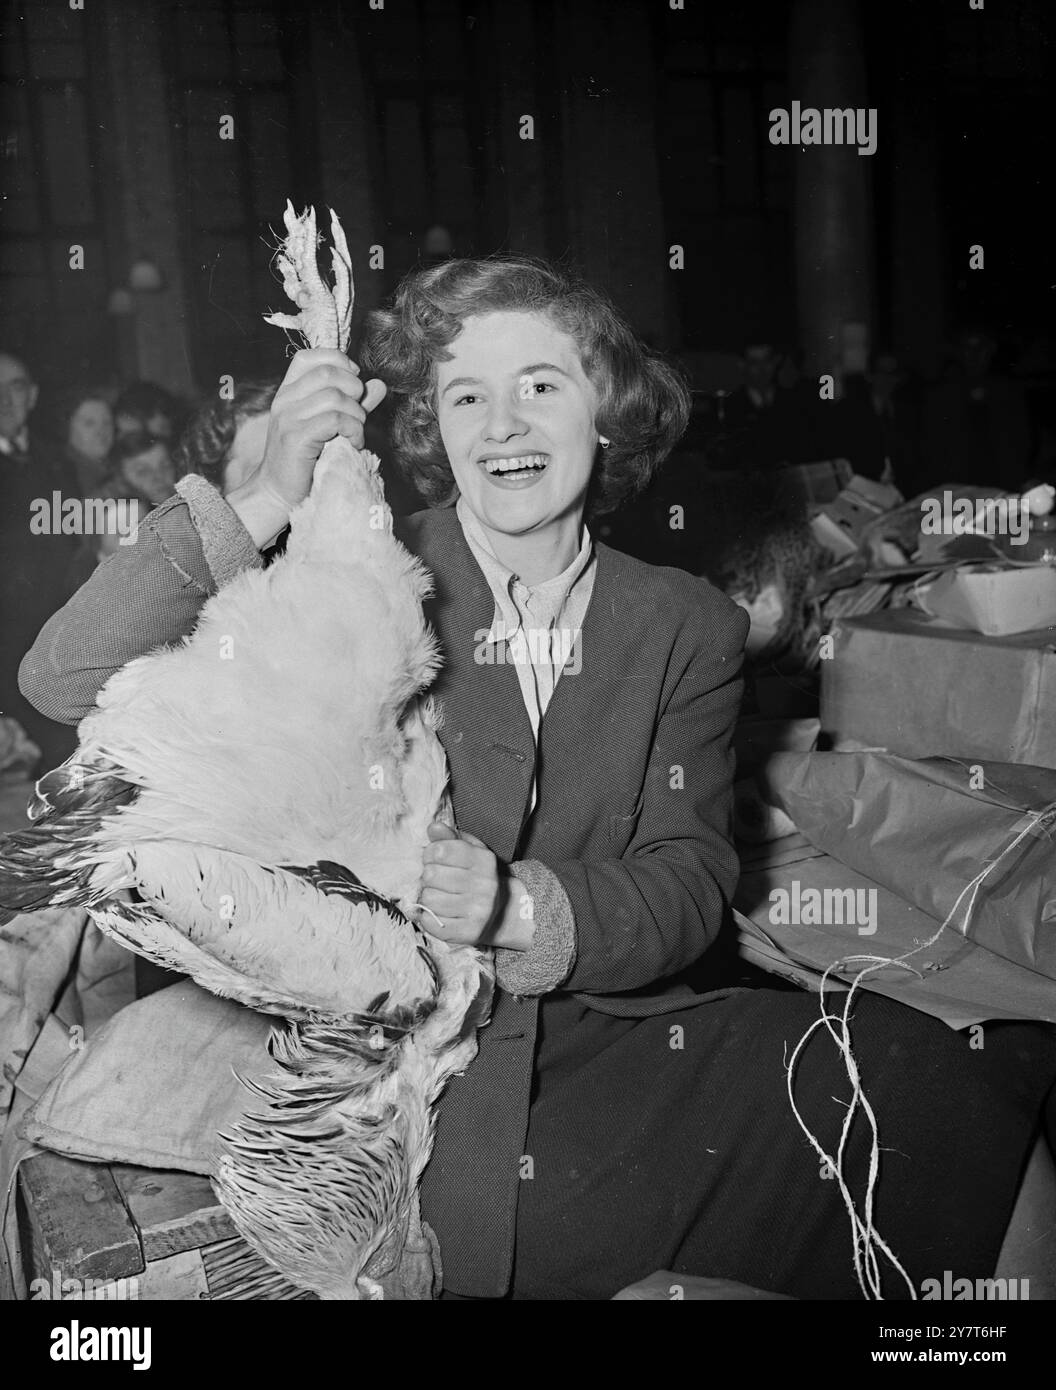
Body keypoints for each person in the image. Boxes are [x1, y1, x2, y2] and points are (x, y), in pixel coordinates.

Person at [19, 260, 1056, 1300]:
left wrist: (518, 904)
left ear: (607, 412)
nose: (504, 424)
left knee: (958, 1097)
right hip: (406, 1097)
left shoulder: (683, 624)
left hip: (615, 1033)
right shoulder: (358, 558)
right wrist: (266, 492)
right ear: (434, 427)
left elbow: (690, 882)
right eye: (469, 395)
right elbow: (62, 676)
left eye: (541, 387)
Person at [0, 352, 79, 773]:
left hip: (61, 626)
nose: (3, 400)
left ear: (31, 396)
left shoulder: (56, 460)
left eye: (13, 387)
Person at [59, 387, 116, 496]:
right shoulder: (65, 476)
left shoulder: (115, 468)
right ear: (68, 427)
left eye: (107, 423)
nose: (101, 432)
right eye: (89, 423)